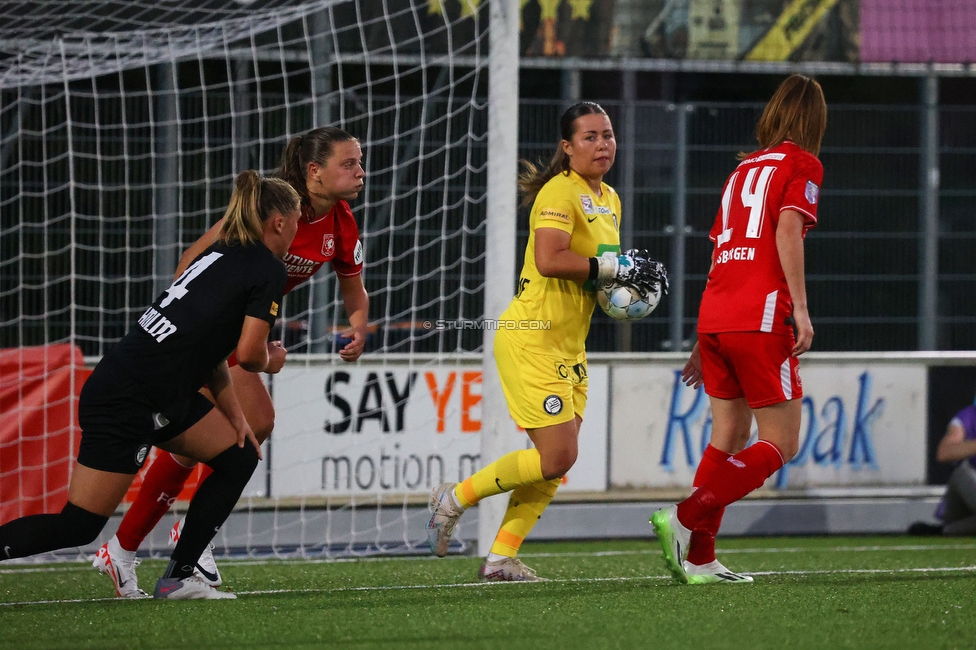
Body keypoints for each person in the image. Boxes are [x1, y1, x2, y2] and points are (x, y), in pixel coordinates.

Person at [92, 126, 369, 598]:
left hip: (235, 337)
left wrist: (358, 326)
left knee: (204, 444)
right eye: (350, 163)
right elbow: (190, 259)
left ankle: (124, 551)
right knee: (253, 424)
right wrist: (186, 321)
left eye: (360, 161)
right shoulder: (273, 209)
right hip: (207, 340)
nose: (361, 171)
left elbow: (353, 288)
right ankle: (182, 545)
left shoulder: (342, 222)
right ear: (314, 172)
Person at [0, 171, 301, 600]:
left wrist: (237, 419)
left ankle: (178, 579)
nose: (296, 231)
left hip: (143, 387)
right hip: (132, 398)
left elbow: (213, 354)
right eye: (295, 222)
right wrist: (275, 359)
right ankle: (162, 570)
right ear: (278, 223)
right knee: (79, 524)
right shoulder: (267, 268)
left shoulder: (219, 253)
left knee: (239, 456)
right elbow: (252, 355)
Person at [425, 101, 667, 581]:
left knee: (554, 464)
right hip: (531, 337)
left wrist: (629, 295)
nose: (602, 144)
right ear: (567, 147)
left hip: (569, 346)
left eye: (608, 134)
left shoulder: (610, 200)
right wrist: (616, 269)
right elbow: (551, 258)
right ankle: (453, 498)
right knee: (559, 455)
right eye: (590, 137)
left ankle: (499, 560)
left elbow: (594, 279)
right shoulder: (559, 192)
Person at [651, 74, 827, 585]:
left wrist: (698, 342)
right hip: (761, 314)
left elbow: (721, 253)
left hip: (717, 313)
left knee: (728, 434)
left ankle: (700, 557)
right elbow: (788, 229)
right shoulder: (802, 163)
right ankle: (684, 517)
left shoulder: (741, 171)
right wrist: (800, 308)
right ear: (814, 120)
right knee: (782, 443)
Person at [908, 398, 976, 536]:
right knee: (962, 470)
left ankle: (943, 531)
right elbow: (944, 452)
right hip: (964, 496)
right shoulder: (968, 416)